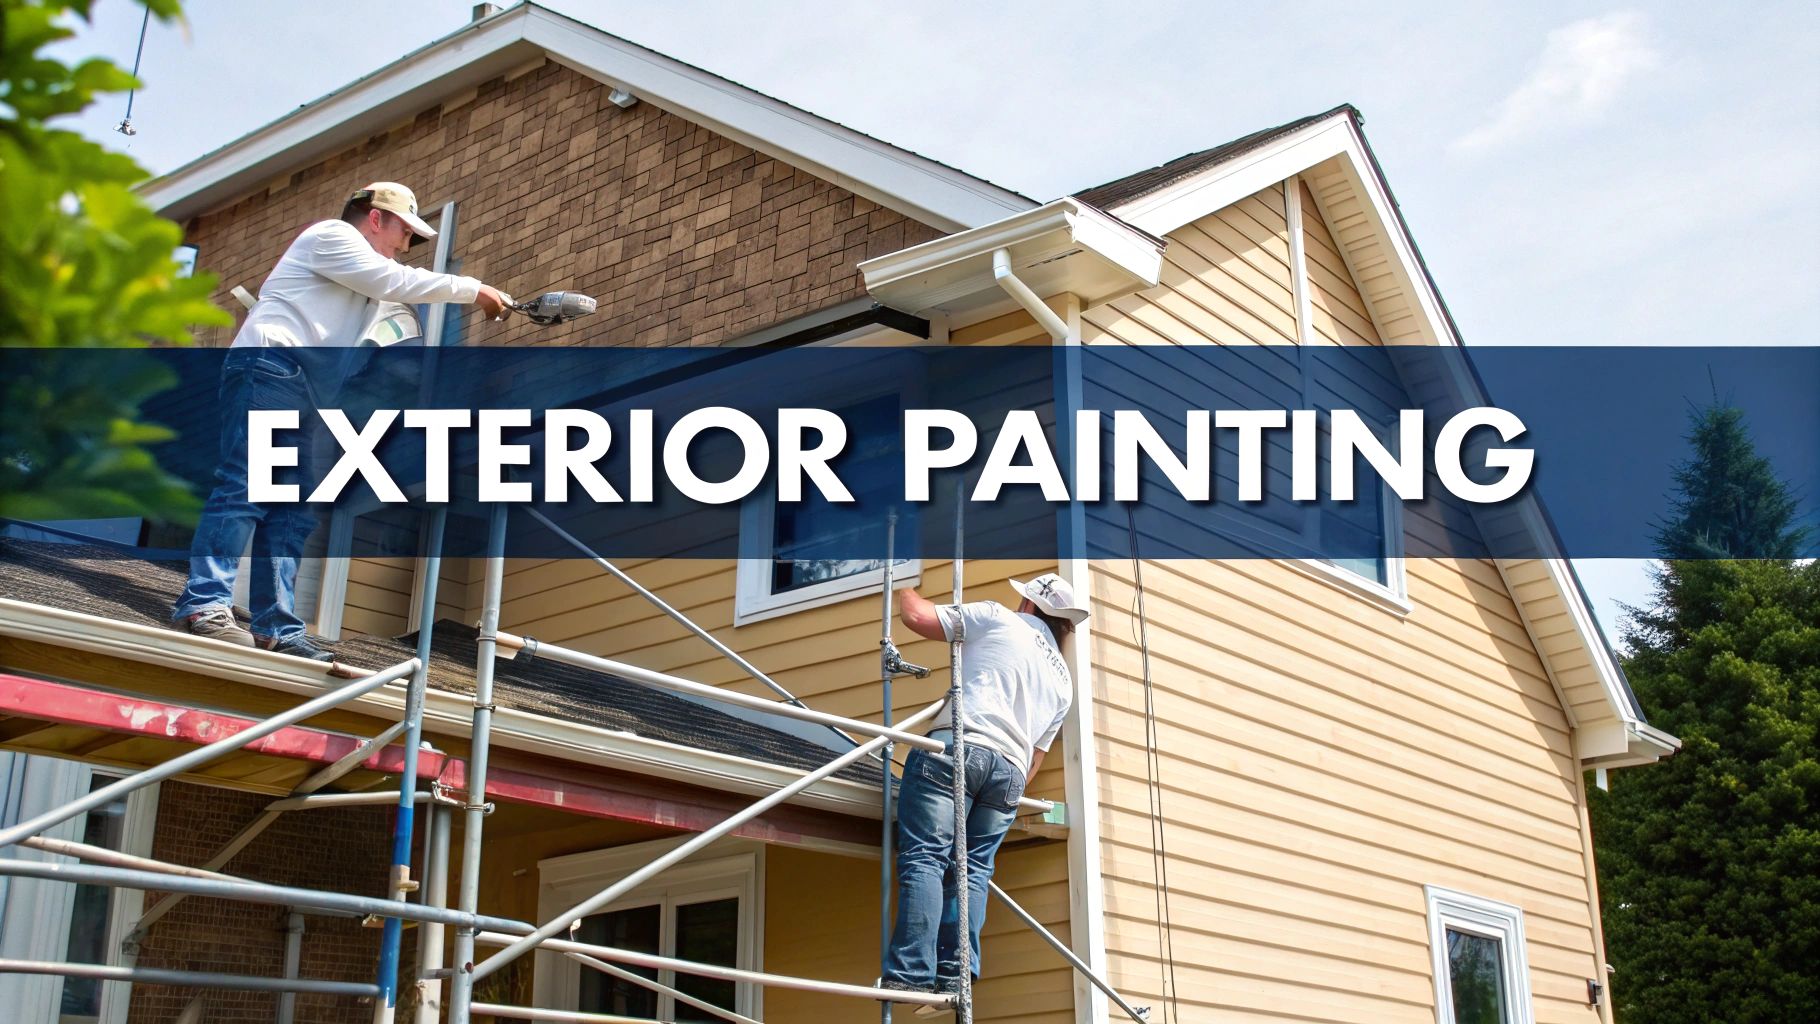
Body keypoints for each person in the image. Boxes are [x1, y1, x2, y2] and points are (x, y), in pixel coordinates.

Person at [171, 182, 507, 661]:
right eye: (405, 231)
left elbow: (392, 328)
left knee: (292, 510)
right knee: (246, 487)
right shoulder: (331, 237)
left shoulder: (361, 283)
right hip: (270, 366)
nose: (407, 244)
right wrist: (472, 289)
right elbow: (393, 281)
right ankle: (203, 605)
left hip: (299, 386)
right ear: (375, 218)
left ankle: (277, 629)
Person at [880, 572, 1088, 1007]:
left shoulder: (998, 617)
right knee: (972, 871)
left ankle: (912, 974)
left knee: (927, 857)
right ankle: (957, 977)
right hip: (1009, 773)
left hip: (960, 745)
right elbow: (1033, 760)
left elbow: (917, 617)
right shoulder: (1064, 683)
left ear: (1030, 605)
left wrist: (902, 583)